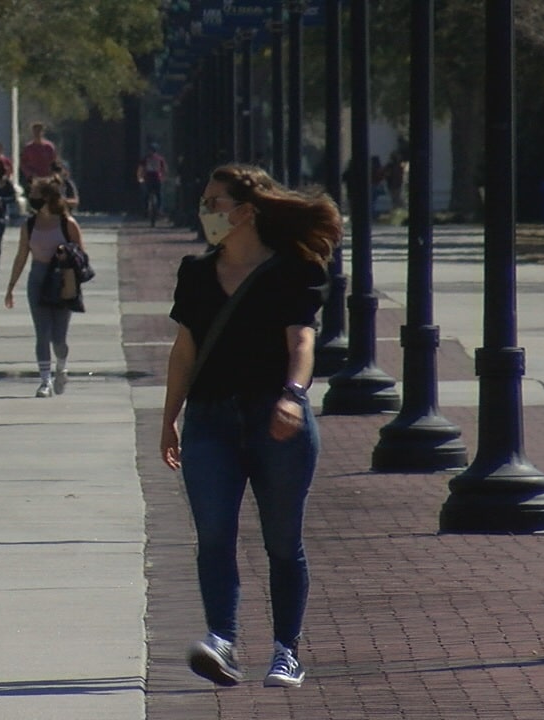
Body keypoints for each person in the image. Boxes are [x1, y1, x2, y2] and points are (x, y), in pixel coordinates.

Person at [158, 163, 340, 689]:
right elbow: (185, 350)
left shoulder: (293, 270)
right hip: (209, 420)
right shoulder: (195, 272)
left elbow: (302, 342)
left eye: (214, 202)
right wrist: (170, 419)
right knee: (213, 535)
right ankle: (222, 640)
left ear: (245, 211)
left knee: (283, 541)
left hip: (275, 418)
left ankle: (287, 650)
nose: (206, 210)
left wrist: (293, 396)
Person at [3, 177, 84, 398]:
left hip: (62, 281)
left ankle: (61, 366)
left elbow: (81, 257)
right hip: (38, 280)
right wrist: (11, 287)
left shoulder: (68, 224)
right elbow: (21, 256)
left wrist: (67, 259)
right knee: (42, 333)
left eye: (37, 195)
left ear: (49, 197)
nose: (33, 200)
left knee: (59, 338)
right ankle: (45, 380)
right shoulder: (29, 225)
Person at [19, 121, 58, 189]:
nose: (37, 133)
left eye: (39, 131)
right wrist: (30, 174)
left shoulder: (49, 147)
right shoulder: (28, 148)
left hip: (47, 179)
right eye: (35, 131)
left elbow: (54, 162)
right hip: (34, 179)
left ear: (42, 132)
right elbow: (23, 164)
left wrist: (53, 175)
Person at [138, 142, 168, 215]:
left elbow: (140, 169)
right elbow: (164, 169)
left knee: (146, 195)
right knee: (159, 195)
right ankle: (159, 210)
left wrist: (140, 178)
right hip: (157, 179)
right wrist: (164, 177)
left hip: (148, 179)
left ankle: (145, 210)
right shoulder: (160, 159)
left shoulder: (145, 159)